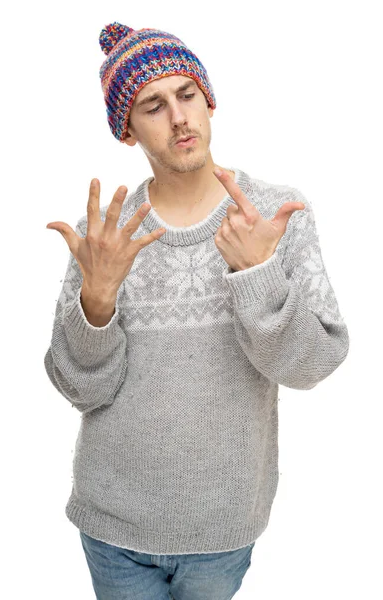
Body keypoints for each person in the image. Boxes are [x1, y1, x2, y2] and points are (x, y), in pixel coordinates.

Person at [43, 21, 350, 600]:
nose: (179, 117)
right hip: (112, 524)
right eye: (153, 106)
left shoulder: (277, 215)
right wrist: (98, 300)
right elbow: (80, 389)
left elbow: (315, 364)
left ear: (208, 102)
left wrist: (256, 275)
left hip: (222, 525)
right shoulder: (104, 238)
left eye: (187, 95)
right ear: (126, 131)